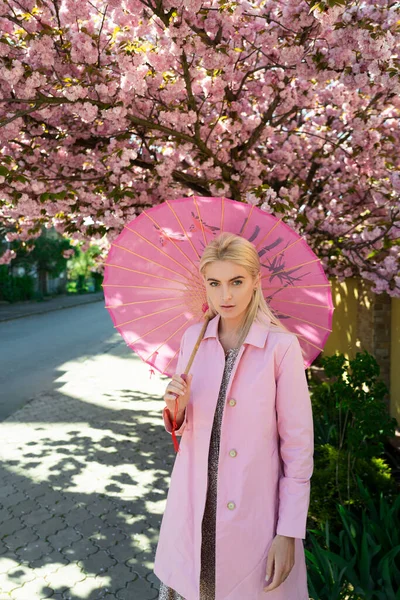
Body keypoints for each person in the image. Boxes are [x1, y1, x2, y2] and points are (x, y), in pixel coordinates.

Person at [154, 232, 314, 600]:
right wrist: (175, 410)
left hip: (252, 516)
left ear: (256, 281)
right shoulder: (193, 340)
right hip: (194, 508)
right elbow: (186, 428)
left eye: (236, 282)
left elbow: (298, 450)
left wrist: (289, 531)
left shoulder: (281, 348)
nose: (225, 295)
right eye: (215, 283)